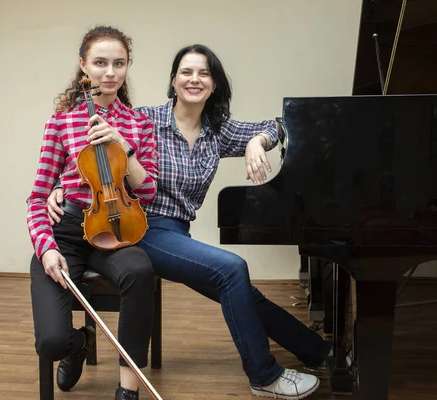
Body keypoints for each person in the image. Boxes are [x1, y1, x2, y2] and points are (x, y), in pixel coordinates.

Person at [48, 44, 331, 400]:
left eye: (204, 73)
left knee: (240, 289)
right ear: (174, 80)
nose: (194, 79)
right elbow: (91, 153)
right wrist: (57, 187)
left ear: (214, 84)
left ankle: (319, 353)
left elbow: (277, 125)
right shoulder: (146, 118)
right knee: (231, 270)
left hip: (176, 233)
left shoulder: (219, 132)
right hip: (140, 225)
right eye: (186, 72)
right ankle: (264, 376)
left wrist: (257, 143)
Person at [27, 26, 159, 400]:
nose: (110, 72)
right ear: (84, 66)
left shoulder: (139, 123)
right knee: (51, 342)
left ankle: (128, 390)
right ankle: (78, 343)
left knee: (140, 270)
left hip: (115, 230)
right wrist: (46, 247)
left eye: (119, 63)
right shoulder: (61, 121)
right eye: (100, 63)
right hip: (65, 230)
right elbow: (37, 198)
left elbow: (147, 190)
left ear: (127, 67)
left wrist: (122, 144)